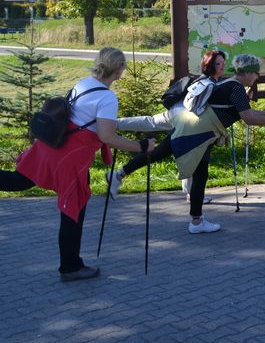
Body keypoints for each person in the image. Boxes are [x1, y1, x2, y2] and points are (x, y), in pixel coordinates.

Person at [0, 48, 154, 281]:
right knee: (73, 210)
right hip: (69, 157)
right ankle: (70, 267)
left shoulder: (83, 83)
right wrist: (141, 147)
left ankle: (71, 263)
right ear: (119, 70)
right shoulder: (107, 97)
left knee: (19, 180)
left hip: (52, 145)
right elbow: (106, 136)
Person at [108, 54, 265, 234]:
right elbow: (249, 118)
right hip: (197, 134)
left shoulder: (228, 83)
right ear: (248, 72)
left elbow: (248, 112)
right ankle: (196, 221)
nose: (257, 77)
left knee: (161, 155)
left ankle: (118, 174)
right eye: (256, 73)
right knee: (198, 174)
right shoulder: (236, 89)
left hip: (191, 127)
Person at [117, 49, 227, 203]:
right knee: (187, 153)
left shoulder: (209, 82)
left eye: (223, 63)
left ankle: (115, 125)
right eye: (218, 63)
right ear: (209, 65)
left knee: (153, 127)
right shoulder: (208, 83)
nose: (222, 66)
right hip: (183, 120)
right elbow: (198, 108)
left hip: (177, 114)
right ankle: (192, 199)